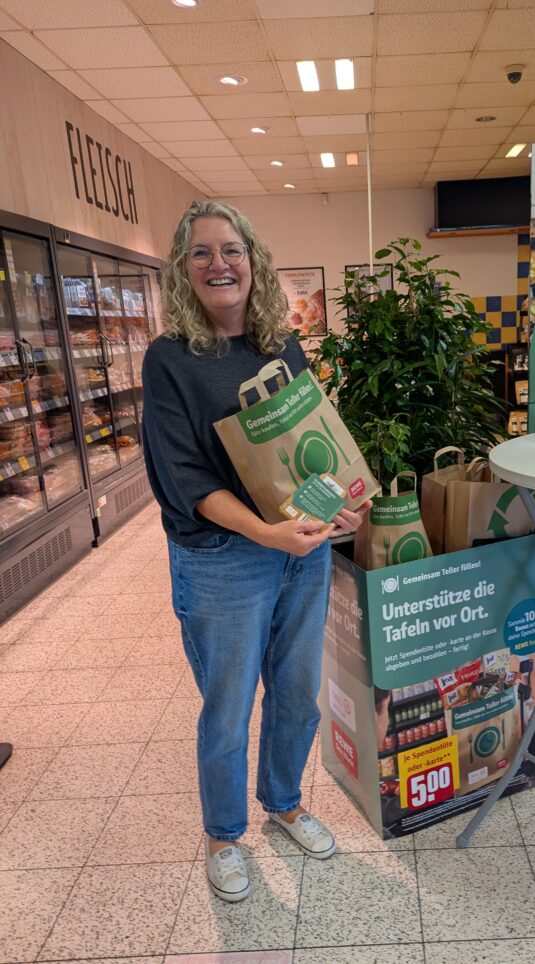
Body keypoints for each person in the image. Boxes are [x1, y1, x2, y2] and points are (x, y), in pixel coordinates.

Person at [141, 199, 371, 902]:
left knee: (297, 694)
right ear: (184, 270)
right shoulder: (171, 359)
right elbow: (182, 478)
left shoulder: (280, 345)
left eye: (231, 250)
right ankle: (223, 835)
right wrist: (264, 532)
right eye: (202, 253)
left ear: (253, 262)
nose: (219, 264)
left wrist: (342, 501)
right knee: (228, 706)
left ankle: (284, 803)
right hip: (222, 559)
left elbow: (308, 447)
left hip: (300, 547)